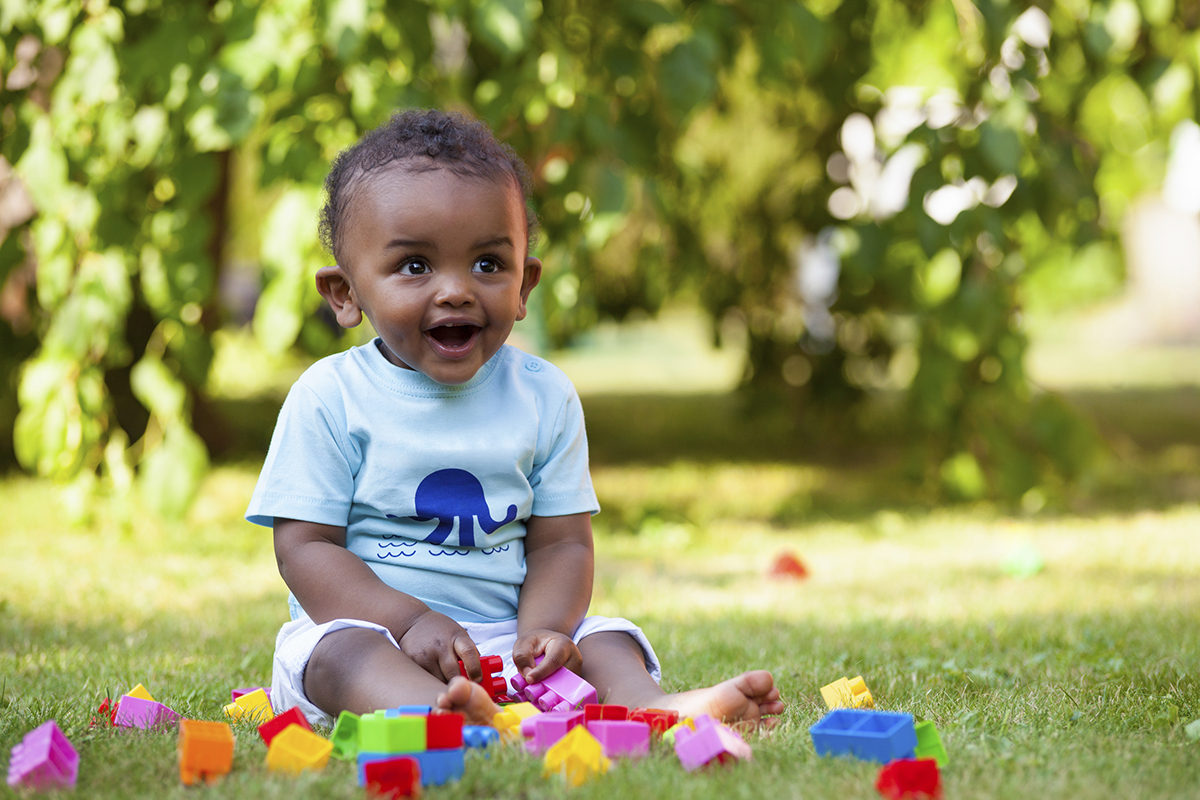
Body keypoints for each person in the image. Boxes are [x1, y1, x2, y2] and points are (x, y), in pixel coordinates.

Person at [245, 108, 784, 729]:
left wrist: (544, 632)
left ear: (524, 284)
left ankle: (658, 711)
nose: (456, 291)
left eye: (487, 264)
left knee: (609, 638)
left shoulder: (543, 397)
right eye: (415, 266)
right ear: (346, 294)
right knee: (340, 655)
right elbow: (306, 548)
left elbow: (561, 543)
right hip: (379, 635)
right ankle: (443, 715)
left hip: (506, 641)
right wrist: (410, 621)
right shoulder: (330, 396)